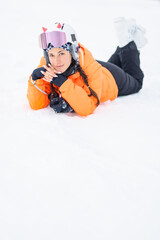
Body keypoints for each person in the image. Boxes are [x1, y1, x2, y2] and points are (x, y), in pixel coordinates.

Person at [27, 18, 147, 116]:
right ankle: (124, 46)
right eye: (51, 55)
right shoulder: (48, 64)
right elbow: (36, 105)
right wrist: (36, 79)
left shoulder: (90, 68)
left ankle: (128, 42)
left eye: (62, 53)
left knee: (136, 81)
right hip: (99, 70)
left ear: (73, 52)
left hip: (112, 79)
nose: (56, 61)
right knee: (117, 64)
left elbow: (88, 107)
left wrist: (63, 83)